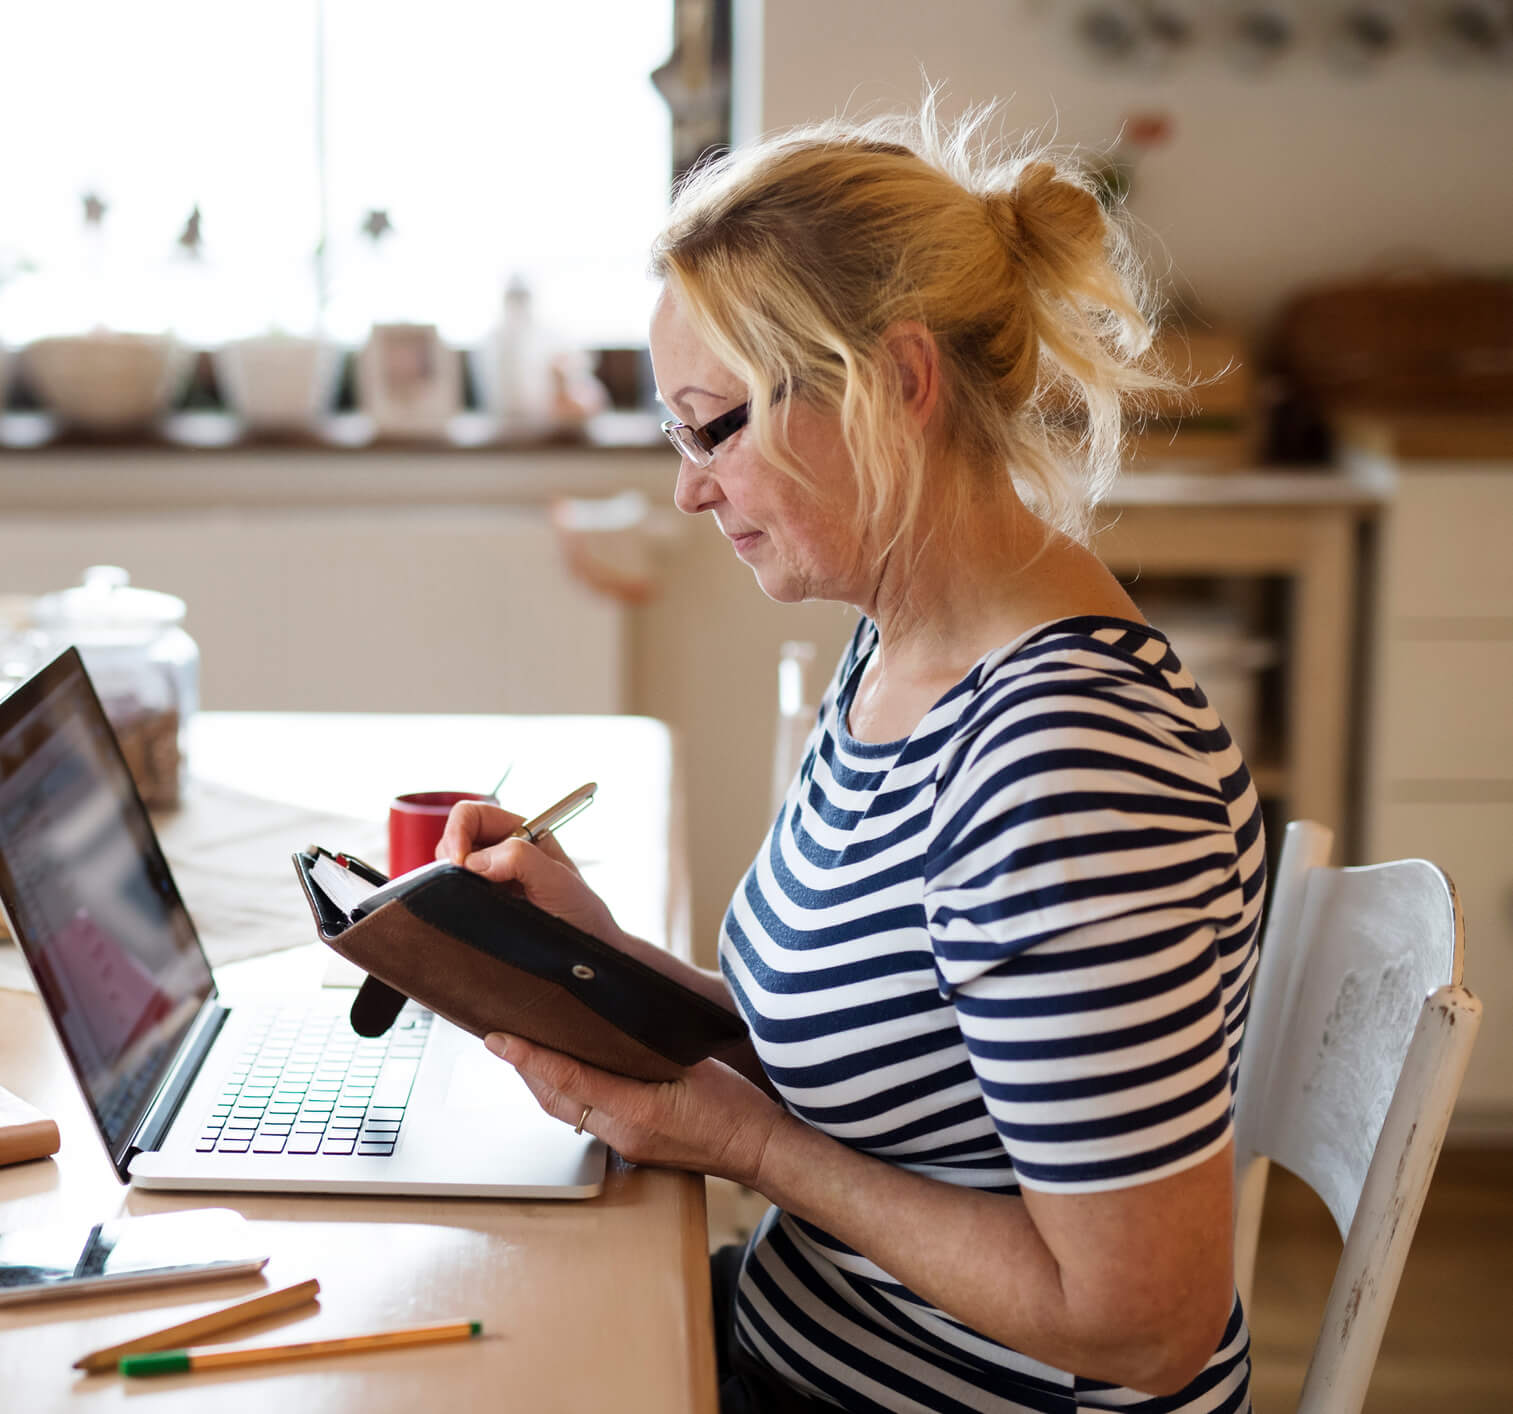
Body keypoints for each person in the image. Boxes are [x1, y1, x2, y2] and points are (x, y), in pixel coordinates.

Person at [440, 96, 1263, 1414]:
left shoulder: (1063, 765)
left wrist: (740, 1142)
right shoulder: (902, 647)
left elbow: (1138, 1324)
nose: (688, 488)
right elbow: (897, 1054)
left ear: (896, 382)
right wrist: (600, 960)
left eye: (715, 426)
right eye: (675, 433)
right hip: (800, 1347)